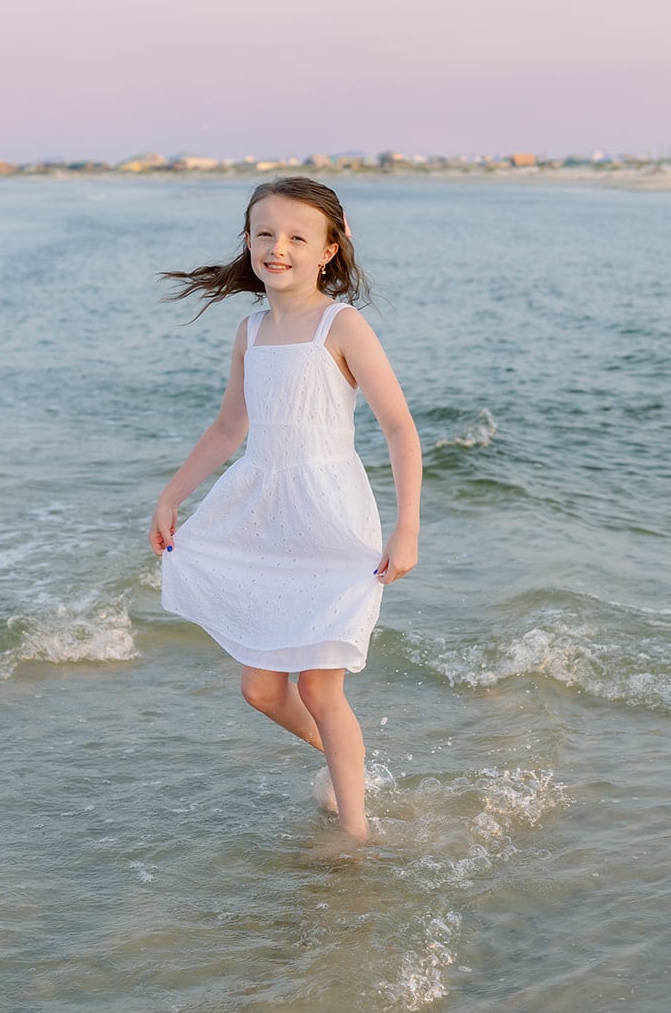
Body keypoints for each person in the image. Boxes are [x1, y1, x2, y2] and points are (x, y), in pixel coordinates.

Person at [149, 177, 421, 843]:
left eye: (299, 237)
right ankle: (348, 761)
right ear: (247, 241)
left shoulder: (342, 325)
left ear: (329, 249)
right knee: (263, 690)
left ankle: (356, 836)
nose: (279, 248)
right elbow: (227, 429)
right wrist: (171, 495)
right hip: (265, 516)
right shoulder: (251, 329)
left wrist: (407, 525)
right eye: (265, 233)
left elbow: (400, 428)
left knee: (323, 692)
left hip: (329, 521)